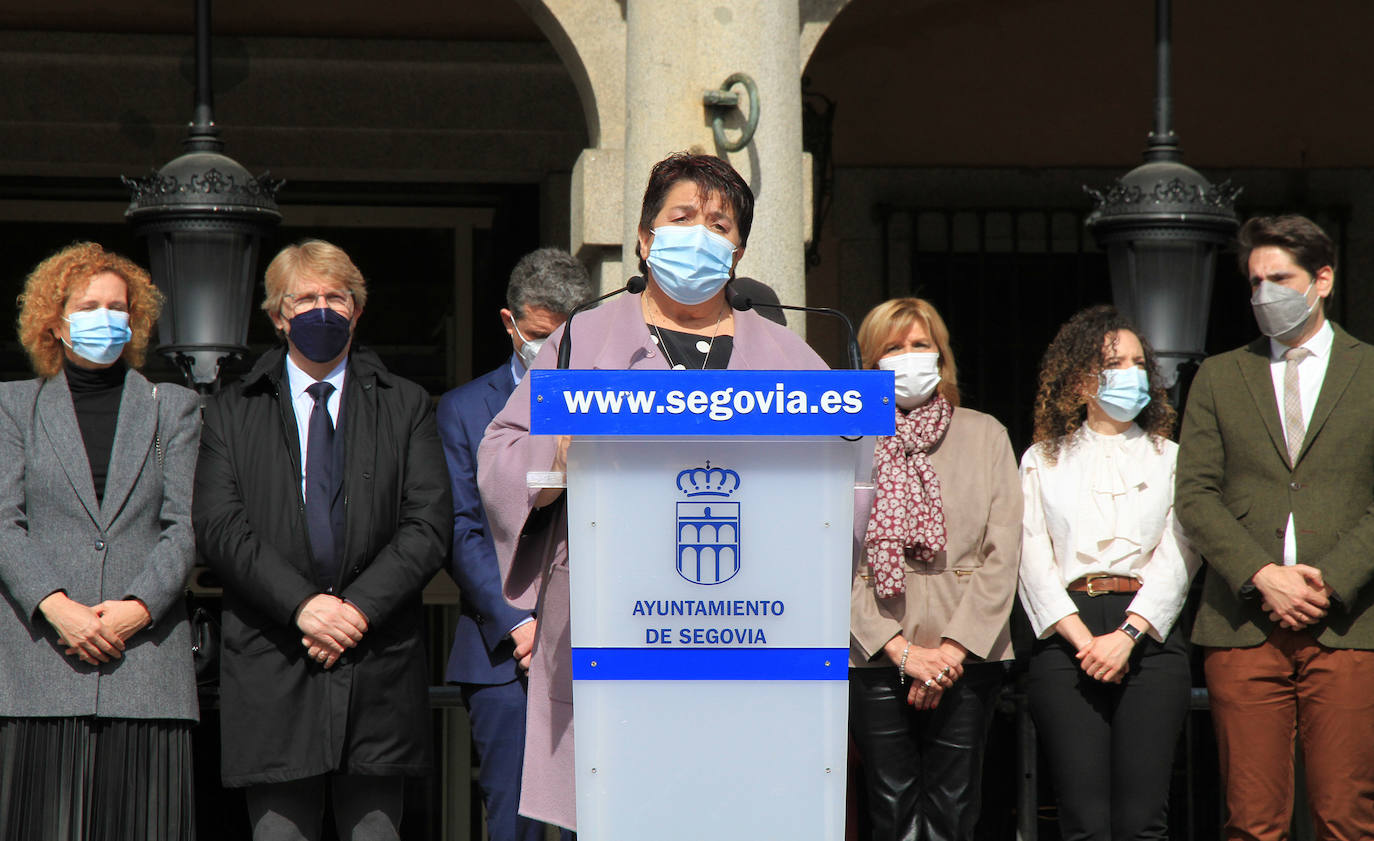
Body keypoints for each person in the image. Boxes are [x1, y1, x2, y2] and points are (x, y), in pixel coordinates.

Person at [477, 152, 827, 831]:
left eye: (719, 224)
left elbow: (850, 473)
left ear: (738, 250)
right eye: (682, 217)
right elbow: (502, 450)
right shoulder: (587, 338)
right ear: (645, 238)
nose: (700, 233)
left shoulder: (788, 355)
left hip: (751, 638)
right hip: (621, 637)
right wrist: (559, 456)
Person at [193, 240, 452, 841]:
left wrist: (356, 610)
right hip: (276, 657)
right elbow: (221, 526)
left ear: (357, 310)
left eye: (335, 297)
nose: (321, 308)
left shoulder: (407, 404)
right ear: (279, 315)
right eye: (304, 298)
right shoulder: (233, 411)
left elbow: (428, 523)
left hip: (376, 665)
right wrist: (305, 607)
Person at [1176, 215, 1374, 841]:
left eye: (1280, 279)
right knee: (1252, 821)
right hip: (1242, 624)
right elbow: (1196, 494)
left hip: (1350, 622)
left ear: (1322, 279)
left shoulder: (1370, 371)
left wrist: (1331, 580)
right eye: (1255, 281)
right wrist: (1263, 576)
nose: (1265, 294)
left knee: (1345, 816)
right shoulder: (1218, 374)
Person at [0, 242, 201, 840]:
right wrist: (56, 607)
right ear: (56, 321)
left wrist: (137, 610)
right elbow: (3, 520)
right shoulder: (14, 407)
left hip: (146, 669)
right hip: (39, 668)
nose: (106, 317)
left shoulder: (176, 409)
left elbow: (186, 524)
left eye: (119, 306)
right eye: (90, 305)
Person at [1018, 305, 1200, 841]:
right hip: (1065, 636)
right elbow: (1030, 555)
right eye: (1113, 362)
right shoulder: (1040, 460)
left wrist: (1125, 636)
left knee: (1143, 821)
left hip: (1147, 636)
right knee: (1083, 821)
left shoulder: (1171, 457)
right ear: (1079, 378)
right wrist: (1082, 640)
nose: (1131, 373)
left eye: (1138, 362)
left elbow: (1181, 552)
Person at [847, 297, 1021, 841]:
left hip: (969, 653)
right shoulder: (849, 438)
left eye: (919, 345)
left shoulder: (985, 433)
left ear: (941, 357)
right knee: (889, 810)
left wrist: (950, 653)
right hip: (876, 651)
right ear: (868, 363)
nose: (907, 357)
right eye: (891, 348)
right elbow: (830, 552)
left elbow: (1004, 550)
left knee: (953, 810)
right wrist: (899, 650)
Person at [437, 247, 591, 841]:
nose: (549, 351)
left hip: (590, 646)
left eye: (564, 338)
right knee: (513, 822)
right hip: (505, 655)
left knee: (597, 818)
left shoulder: (609, 400)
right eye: (537, 335)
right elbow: (461, 528)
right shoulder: (463, 409)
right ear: (509, 323)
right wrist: (519, 623)